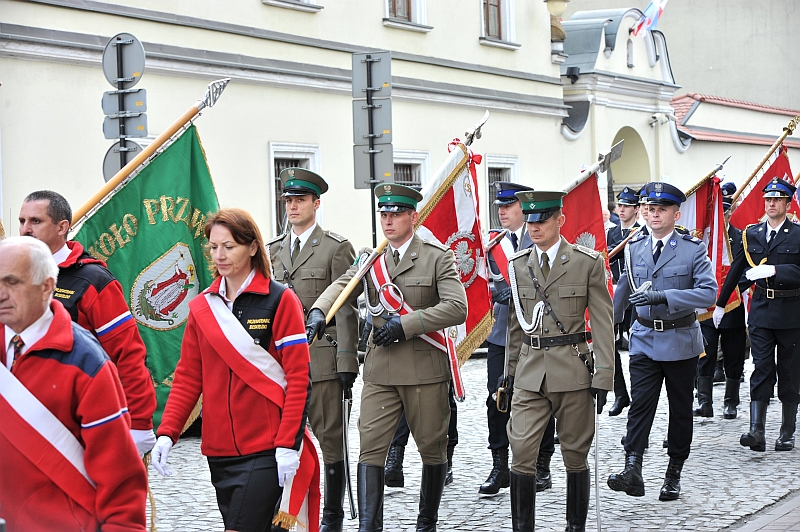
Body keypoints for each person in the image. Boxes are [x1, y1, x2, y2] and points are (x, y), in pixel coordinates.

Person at [306, 184, 467, 532]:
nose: (388, 221)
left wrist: (406, 324)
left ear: (414, 216)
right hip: (380, 371)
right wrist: (320, 310)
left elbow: (457, 306)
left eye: (396, 214)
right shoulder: (371, 258)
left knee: (431, 449)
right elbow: (343, 284)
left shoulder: (437, 257)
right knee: (371, 448)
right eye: (384, 214)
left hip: (423, 369)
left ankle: (426, 523)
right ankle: (369, 526)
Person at [151, 209, 319, 532]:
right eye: (214, 247)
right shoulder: (202, 307)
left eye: (229, 246)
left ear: (252, 247)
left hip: (267, 449)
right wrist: (167, 434)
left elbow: (299, 379)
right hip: (219, 451)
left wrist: (287, 444)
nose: (219, 256)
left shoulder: (280, 301)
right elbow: (188, 378)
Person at [0, 236, 147, 531]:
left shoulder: (87, 363)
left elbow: (120, 481)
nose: (1, 294)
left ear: (46, 287)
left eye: (12, 282)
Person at [503, 190, 614, 532]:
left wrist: (605, 376)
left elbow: (604, 321)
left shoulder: (586, 262)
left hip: (572, 368)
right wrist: (508, 373)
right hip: (530, 370)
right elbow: (517, 323)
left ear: (559, 220)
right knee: (521, 449)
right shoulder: (519, 265)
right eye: (530, 220)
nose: (534, 228)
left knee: (574, 454)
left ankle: (574, 527)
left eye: (542, 221)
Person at [19, 190, 157, 455]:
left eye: (36, 221)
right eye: (22, 221)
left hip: (82, 422)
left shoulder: (93, 280)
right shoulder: (14, 277)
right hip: (27, 419)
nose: (26, 230)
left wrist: (139, 424)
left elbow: (127, 353)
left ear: (62, 227)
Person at [608, 182, 717, 501]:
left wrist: (666, 296)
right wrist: (609, 324)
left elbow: (708, 293)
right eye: (649, 209)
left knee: (680, 408)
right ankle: (633, 468)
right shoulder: (634, 245)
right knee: (641, 404)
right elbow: (625, 287)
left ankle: (673, 473)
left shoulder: (691, 247)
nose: (653, 214)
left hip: (680, 338)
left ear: (675, 213)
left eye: (661, 209)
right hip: (643, 337)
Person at [267, 168, 358, 531]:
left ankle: (332, 517)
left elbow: (347, 306)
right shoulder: (273, 249)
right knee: (284, 439)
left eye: (300, 200)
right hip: (281, 364)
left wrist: (347, 361)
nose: (292, 206)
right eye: (288, 200)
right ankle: (286, 515)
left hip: (321, 360)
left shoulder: (336, 247)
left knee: (330, 442)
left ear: (316, 203)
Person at [713, 177, 800, 452]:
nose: (771, 204)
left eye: (777, 199)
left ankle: (787, 430)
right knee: (761, 368)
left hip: (791, 312)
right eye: (768, 199)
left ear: (788, 203)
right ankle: (756, 430)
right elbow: (739, 270)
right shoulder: (752, 233)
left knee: (789, 370)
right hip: (761, 311)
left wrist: (777, 270)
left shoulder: (798, 235)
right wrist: (720, 303)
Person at [479, 181, 533, 496]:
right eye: (499, 206)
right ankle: (500, 465)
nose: (501, 211)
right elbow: (476, 282)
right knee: (496, 398)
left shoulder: (539, 236)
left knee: (538, 396)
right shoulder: (490, 243)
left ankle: (540, 463)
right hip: (501, 333)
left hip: (533, 330)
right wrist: (492, 292)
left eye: (508, 206)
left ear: (523, 208)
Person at [695, 182, 747, 419]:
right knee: (704, 354)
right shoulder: (704, 239)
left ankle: (731, 402)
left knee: (733, 355)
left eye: (724, 212)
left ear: (728, 213)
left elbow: (747, 270)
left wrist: (731, 293)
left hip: (732, 305)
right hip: (706, 306)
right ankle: (704, 401)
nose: (721, 217)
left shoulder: (742, 238)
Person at [606, 187, 642, 416]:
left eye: (627, 206)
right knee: (609, 345)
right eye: (620, 205)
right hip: (613, 295)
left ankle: (639, 399)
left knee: (637, 349)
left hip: (635, 297)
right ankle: (620, 393)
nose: (622, 209)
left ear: (637, 210)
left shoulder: (642, 233)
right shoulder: (611, 233)